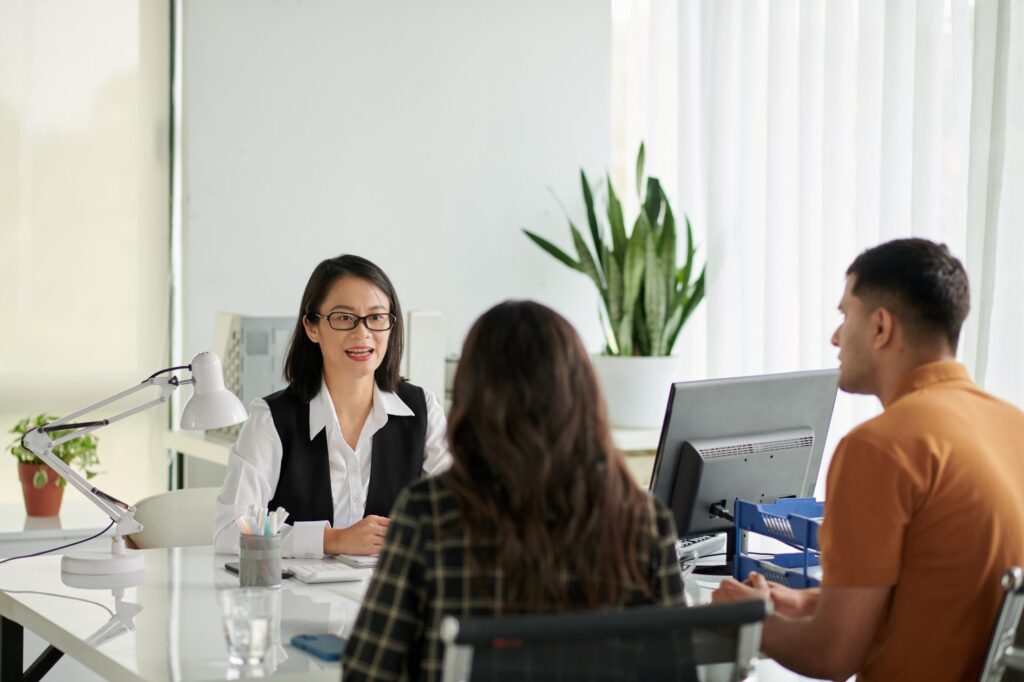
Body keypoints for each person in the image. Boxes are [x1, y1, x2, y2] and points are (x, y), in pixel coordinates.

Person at [712, 239, 1024, 681]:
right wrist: (804, 603)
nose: (835, 337)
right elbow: (937, 596)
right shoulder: (1014, 426)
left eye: (844, 316)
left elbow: (831, 656)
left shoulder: (879, 447)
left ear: (880, 328)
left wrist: (746, 620)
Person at [342, 300, 684, 681]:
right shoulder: (642, 518)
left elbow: (367, 673)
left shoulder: (430, 514)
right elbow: (677, 672)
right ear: (582, 393)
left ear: (471, 397)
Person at [214, 255, 450, 558]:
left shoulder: (423, 410)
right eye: (343, 318)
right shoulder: (272, 419)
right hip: (295, 602)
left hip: (392, 598)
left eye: (376, 317)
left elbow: (460, 516)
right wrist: (331, 540)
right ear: (312, 327)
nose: (362, 332)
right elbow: (228, 530)